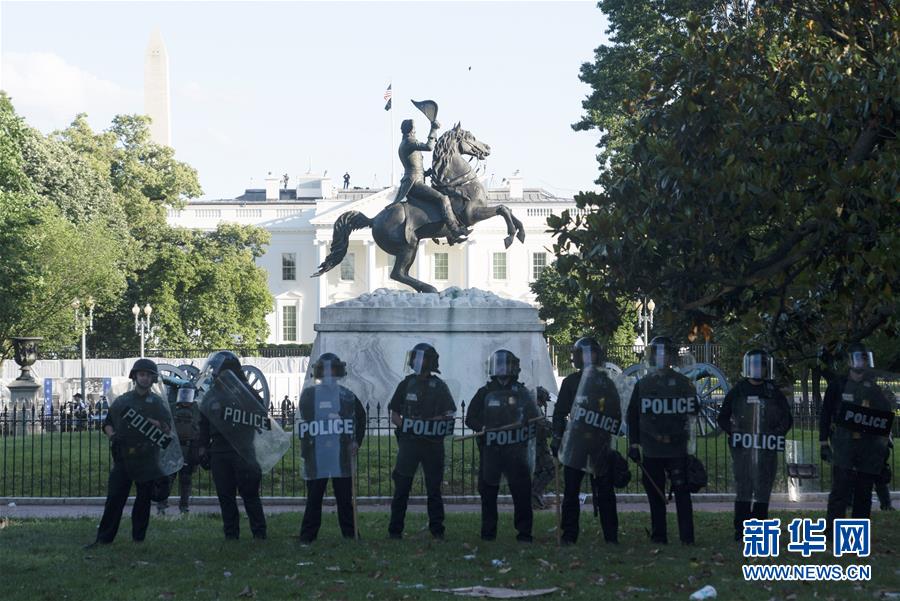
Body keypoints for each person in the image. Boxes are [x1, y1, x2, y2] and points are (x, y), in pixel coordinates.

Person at [85, 359, 182, 548]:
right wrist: (112, 436)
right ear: (135, 376)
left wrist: (154, 423)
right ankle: (103, 539)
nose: (145, 378)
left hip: (147, 457)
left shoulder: (157, 402)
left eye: (148, 375)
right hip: (124, 458)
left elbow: (167, 429)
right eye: (142, 374)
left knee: (143, 501)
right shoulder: (123, 400)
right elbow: (107, 423)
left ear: (153, 379)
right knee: (114, 499)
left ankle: (138, 539)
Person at [197, 351, 279, 540]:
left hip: (243, 449)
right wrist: (202, 447)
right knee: (225, 496)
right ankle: (231, 535)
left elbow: (261, 415)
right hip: (219, 449)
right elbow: (203, 424)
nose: (214, 374)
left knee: (249, 494)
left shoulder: (246, 391)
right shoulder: (212, 395)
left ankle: (259, 533)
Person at [626, 336, 700, 545]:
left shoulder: (682, 383)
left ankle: (687, 537)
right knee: (656, 494)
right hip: (652, 448)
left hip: (676, 448)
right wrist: (634, 443)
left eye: (665, 353)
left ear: (671, 357)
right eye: (658, 353)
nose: (661, 357)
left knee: (682, 493)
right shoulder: (644, 384)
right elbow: (633, 415)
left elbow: (693, 410)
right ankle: (661, 536)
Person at [716, 349, 793, 541]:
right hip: (743, 451)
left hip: (766, 450)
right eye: (755, 365)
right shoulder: (738, 390)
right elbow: (722, 418)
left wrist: (777, 434)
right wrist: (733, 431)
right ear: (748, 367)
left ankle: (759, 530)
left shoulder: (773, 391)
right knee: (744, 488)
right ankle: (741, 530)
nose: (758, 368)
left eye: (762, 365)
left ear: (767, 368)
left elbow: (787, 418)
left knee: (763, 490)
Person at [465, 349, 540, 542]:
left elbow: (534, 417)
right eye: (498, 364)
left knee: (521, 493)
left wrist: (526, 422)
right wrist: (482, 427)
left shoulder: (522, 392)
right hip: (491, 451)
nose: (502, 368)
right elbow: (470, 417)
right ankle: (488, 534)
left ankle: (524, 534)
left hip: (516, 452)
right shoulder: (485, 392)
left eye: (506, 364)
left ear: (514, 367)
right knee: (488, 492)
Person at [552, 337, 622, 545]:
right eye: (584, 353)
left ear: (597, 356)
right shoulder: (570, 383)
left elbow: (616, 413)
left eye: (591, 353)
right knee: (571, 492)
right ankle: (569, 535)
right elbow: (559, 413)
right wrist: (557, 437)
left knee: (606, 492)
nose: (588, 357)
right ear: (577, 357)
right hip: (576, 444)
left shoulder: (606, 382)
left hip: (600, 444)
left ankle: (611, 536)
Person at [821, 343, 895, 527]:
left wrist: (883, 446)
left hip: (867, 448)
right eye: (858, 358)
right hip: (844, 446)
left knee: (864, 492)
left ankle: (857, 534)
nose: (861, 363)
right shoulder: (838, 385)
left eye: (864, 359)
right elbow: (825, 414)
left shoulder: (874, 388)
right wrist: (823, 442)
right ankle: (832, 531)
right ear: (850, 361)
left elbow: (884, 416)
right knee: (840, 490)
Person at [387, 343, 456, 540]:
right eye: (416, 357)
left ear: (430, 361)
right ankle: (395, 531)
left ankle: (437, 530)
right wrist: (406, 426)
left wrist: (432, 422)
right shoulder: (406, 384)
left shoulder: (439, 386)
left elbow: (449, 413)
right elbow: (394, 414)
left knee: (434, 489)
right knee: (402, 488)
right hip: (409, 444)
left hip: (433, 445)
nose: (417, 361)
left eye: (422, 358)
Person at [297, 353, 367, 543]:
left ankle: (350, 534)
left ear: (338, 372)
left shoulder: (347, 396)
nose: (328, 375)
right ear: (319, 373)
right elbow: (305, 416)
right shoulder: (309, 395)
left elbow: (360, 418)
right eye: (325, 371)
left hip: (341, 455)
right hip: (317, 454)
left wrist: (356, 441)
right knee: (314, 498)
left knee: (345, 498)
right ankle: (307, 537)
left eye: (332, 371)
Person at [390, 117, 468, 243]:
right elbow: (429, 147)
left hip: (416, 178)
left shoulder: (406, 142)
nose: (415, 131)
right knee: (443, 198)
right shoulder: (409, 142)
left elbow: (414, 166)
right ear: (410, 130)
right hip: (414, 183)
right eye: (414, 128)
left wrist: (428, 172)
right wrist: (434, 129)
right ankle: (454, 230)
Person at [157, 383, 200, 515]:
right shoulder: (172, 408)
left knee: (185, 480)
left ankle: (184, 507)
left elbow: (201, 430)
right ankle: (162, 506)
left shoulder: (197, 410)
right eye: (184, 393)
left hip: (189, 448)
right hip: (173, 448)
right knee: (168, 478)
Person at [531, 391, 555, 510]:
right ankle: (535, 493)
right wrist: (555, 428)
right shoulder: (535, 408)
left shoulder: (534, 408)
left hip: (537, 444)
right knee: (551, 469)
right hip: (538, 445)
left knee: (539, 471)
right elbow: (541, 426)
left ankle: (535, 499)